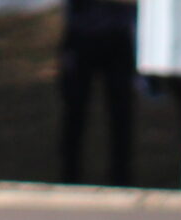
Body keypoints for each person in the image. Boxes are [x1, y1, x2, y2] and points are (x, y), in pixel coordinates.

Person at [59, 0, 140, 186]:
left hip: (118, 36)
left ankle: (122, 178)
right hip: (80, 34)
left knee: (121, 112)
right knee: (74, 110)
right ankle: (69, 176)